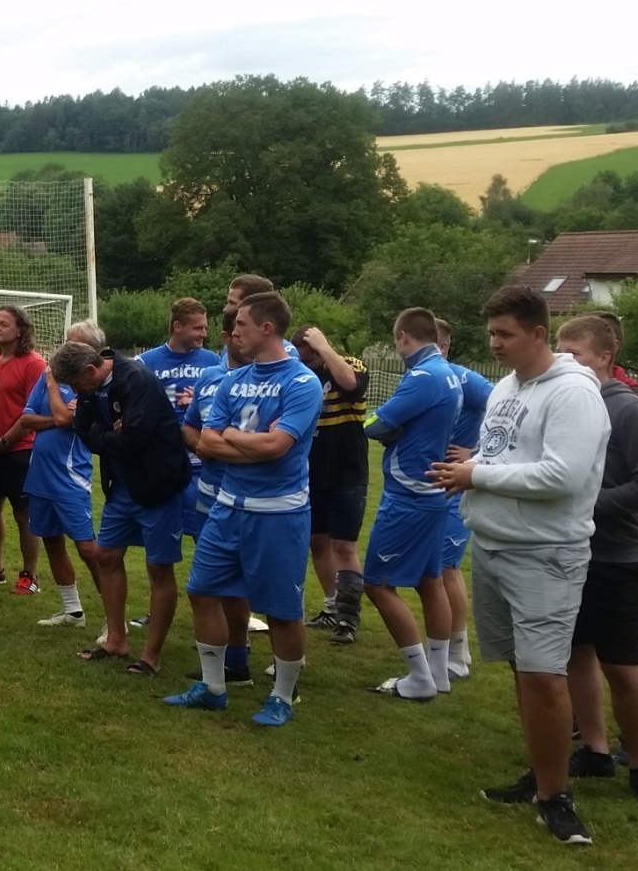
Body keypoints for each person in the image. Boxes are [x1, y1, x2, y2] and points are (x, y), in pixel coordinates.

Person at [431, 285, 609, 846]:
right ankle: (542, 772)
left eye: (505, 334)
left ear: (537, 334)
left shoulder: (574, 393)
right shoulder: (508, 387)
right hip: (493, 543)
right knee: (521, 669)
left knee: (543, 674)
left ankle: (556, 798)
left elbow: (563, 475)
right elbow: (507, 452)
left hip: (544, 554)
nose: (495, 344)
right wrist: (473, 467)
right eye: (491, 333)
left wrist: (476, 475)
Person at [166, 291, 320, 727]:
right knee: (201, 591)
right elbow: (207, 441)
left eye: (242, 325)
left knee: (281, 611)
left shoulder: (302, 382)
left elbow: (277, 446)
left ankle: (282, 697)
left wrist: (235, 437)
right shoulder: (232, 380)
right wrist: (250, 442)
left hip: (278, 513)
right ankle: (214, 687)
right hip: (226, 506)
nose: (234, 333)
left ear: (266, 328)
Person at [553, 316, 638, 813]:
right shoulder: (565, 401)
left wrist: (580, 503)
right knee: (575, 653)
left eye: (575, 353)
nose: (565, 361)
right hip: (568, 551)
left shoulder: (629, 409)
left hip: (615, 556)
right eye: (561, 351)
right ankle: (596, 749)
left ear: (605, 357)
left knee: (622, 664)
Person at [50, 339, 192, 674]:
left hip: (157, 485)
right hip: (121, 486)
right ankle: (116, 640)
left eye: (75, 385)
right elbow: (82, 427)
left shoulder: (136, 380)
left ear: (90, 369)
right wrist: (109, 432)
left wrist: (107, 435)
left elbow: (132, 440)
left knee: (159, 568)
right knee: (106, 555)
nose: (75, 392)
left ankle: (151, 656)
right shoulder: (91, 387)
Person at [360, 308, 461, 700]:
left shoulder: (422, 377)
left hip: (409, 494)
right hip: (432, 492)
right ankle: (439, 672)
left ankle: (419, 678)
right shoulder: (447, 372)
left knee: (377, 584)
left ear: (403, 337)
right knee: (429, 580)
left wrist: (388, 428)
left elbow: (375, 425)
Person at [6, 322, 107, 629]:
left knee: (87, 548)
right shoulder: (50, 375)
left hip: (70, 477)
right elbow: (27, 419)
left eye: (74, 345)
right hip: (40, 474)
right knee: (51, 540)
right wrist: (56, 413)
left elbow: (66, 419)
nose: (65, 350)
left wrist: (51, 388)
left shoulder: (89, 384)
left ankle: (113, 620)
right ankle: (72, 611)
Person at [177, 311, 257, 685]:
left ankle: (260, 668)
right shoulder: (210, 376)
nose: (241, 337)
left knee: (252, 586)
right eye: (236, 331)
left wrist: (223, 447)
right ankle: (228, 668)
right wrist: (204, 446)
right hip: (209, 496)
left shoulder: (274, 379)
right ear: (227, 338)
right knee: (212, 585)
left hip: (253, 499)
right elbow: (192, 427)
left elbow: (275, 443)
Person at [135, 297, 222, 626]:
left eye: (205, 327)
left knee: (211, 542)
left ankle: (223, 613)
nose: (204, 334)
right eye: (198, 328)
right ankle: (157, 607)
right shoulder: (146, 362)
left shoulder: (214, 362)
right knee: (159, 550)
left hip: (203, 467)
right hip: (163, 470)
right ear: (177, 327)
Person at [292, 324, 370, 643]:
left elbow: (351, 385)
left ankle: (348, 619)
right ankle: (331, 607)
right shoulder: (301, 375)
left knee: (344, 546)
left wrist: (325, 348)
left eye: (310, 358)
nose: (306, 364)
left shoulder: (349, 364)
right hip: (312, 472)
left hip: (347, 473)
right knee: (317, 541)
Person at [434, 317, 493, 679]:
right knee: (430, 569)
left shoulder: (465, 378)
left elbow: (506, 410)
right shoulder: (421, 377)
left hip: (456, 487)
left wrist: (476, 453)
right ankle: (441, 647)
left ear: (443, 347)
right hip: (428, 486)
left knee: (446, 566)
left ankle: (458, 652)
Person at [0, 306, 47, 595]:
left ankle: (30, 574)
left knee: (24, 514)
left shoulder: (34, 363)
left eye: (3, 323)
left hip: (21, 449)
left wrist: (4, 442)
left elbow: (32, 412)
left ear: (20, 330)